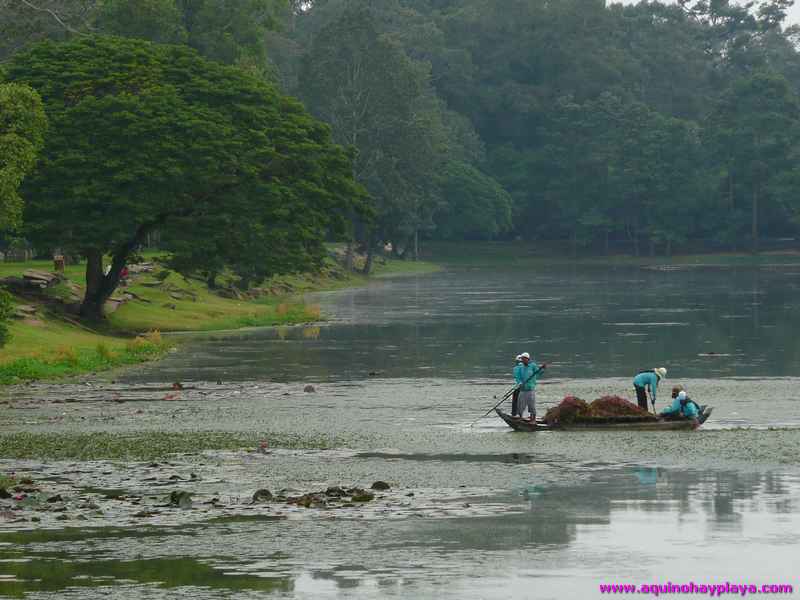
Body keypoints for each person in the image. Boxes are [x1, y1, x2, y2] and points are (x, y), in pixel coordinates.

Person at [513, 352, 547, 420]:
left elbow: (539, 373)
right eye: (522, 359)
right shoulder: (521, 367)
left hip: (530, 389)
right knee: (520, 406)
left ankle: (533, 419)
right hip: (523, 389)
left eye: (524, 359)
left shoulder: (533, 366)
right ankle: (520, 418)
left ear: (528, 359)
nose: (523, 360)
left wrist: (543, 368)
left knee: (531, 406)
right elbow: (518, 377)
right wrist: (520, 383)